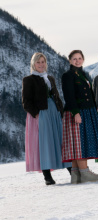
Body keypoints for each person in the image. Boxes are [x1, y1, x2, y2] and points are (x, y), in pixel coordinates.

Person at [22, 52, 71, 185]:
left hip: (54, 112)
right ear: (33, 64)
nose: (41, 64)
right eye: (38, 62)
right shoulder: (29, 80)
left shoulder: (50, 78)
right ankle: (47, 176)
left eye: (43, 62)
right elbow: (26, 101)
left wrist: (60, 111)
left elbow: (56, 96)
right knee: (44, 143)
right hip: (41, 114)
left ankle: (72, 171)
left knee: (60, 141)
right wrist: (35, 114)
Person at [61, 50, 98, 183]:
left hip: (87, 111)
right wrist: (76, 113)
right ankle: (85, 172)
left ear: (83, 59)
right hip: (78, 112)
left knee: (77, 142)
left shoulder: (83, 74)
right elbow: (69, 96)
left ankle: (76, 174)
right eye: (74, 59)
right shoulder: (68, 75)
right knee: (80, 142)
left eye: (80, 58)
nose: (77, 61)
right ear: (70, 61)